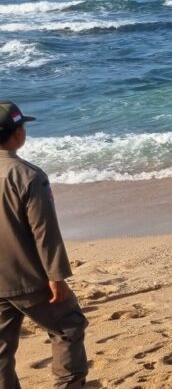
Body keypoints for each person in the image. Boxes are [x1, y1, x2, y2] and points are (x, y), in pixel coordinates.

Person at [0, 101, 89, 389]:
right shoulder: (27, 175)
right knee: (69, 326)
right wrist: (56, 276)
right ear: (16, 135)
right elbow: (44, 231)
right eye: (22, 126)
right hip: (27, 277)